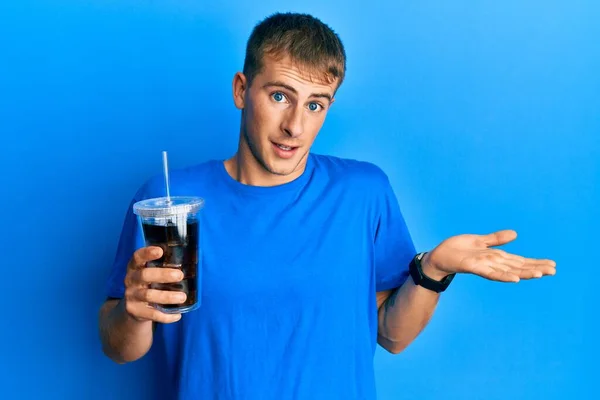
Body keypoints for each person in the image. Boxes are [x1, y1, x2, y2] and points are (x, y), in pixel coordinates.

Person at [98, 12, 556, 399]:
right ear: (242, 90)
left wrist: (433, 269)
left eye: (316, 105)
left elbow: (391, 336)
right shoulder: (167, 200)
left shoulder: (362, 192)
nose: (295, 126)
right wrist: (133, 310)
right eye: (280, 96)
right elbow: (120, 348)